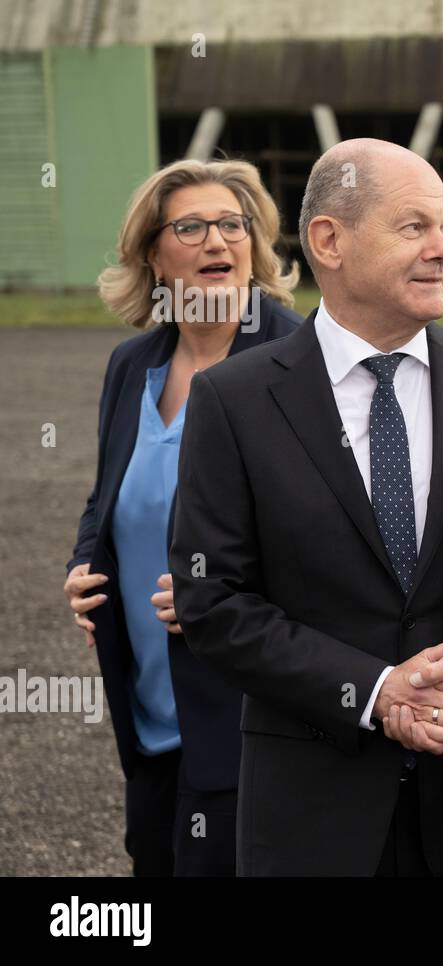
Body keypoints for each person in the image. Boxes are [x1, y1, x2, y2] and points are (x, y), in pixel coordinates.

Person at [169, 138, 443, 876]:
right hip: (312, 810)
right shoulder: (234, 400)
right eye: (414, 228)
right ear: (328, 240)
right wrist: (373, 690)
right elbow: (214, 600)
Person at [63, 157, 302, 875]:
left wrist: (225, 590)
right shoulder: (132, 365)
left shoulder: (296, 359)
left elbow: (334, 532)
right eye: (191, 227)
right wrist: (85, 563)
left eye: (233, 225)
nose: (216, 242)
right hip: (149, 714)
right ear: (153, 255)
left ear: (255, 246)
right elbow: (108, 494)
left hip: (251, 717)